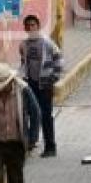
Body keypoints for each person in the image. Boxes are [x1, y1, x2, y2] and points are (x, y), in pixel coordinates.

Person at [19, 14, 63, 157]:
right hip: (30, 84)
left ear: (38, 26)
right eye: (28, 25)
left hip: (45, 84)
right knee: (31, 113)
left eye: (33, 25)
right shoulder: (24, 45)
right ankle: (32, 142)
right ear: (25, 28)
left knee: (45, 115)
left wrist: (53, 78)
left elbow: (59, 60)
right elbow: (24, 63)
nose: (31, 28)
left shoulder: (47, 43)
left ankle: (50, 147)